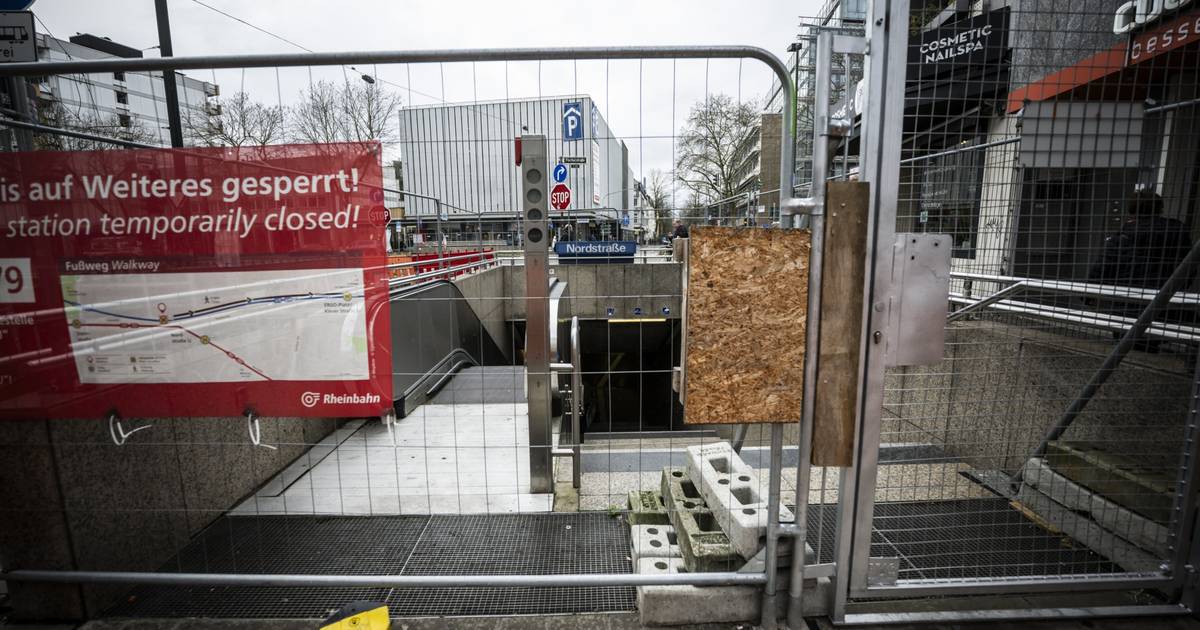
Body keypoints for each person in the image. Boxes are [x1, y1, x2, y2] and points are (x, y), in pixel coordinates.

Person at [1087, 189, 1192, 351]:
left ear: (1132, 210)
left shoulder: (1122, 237)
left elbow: (1102, 268)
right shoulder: (1178, 234)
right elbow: (1188, 271)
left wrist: (1087, 296)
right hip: (1164, 307)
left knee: (1127, 352)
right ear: (1159, 209)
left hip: (1127, 308)